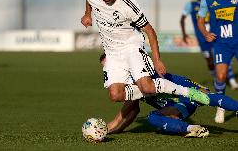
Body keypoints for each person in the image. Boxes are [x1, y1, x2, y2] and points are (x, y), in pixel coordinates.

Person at [81, 0, 209, 105]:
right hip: (112, 53)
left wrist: (157, 60)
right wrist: (87, 15)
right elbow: (89, 0)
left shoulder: (128, 5)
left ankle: (188, 92)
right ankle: (162, 90)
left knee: (147, 87)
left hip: (131, 48)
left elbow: (150, 31)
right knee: (115, 95)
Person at [99, 54, 238, 138]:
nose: (108, 71)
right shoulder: (127, 83)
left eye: (108, 66)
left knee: (207, 97)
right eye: (104, 68)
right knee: (153, 117)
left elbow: (131, 105)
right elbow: (133, 108)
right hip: (176, 106)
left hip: (184, 89)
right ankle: (192, 129)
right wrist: (117, 128)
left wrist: (115, 124)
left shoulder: (138, 73)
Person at [197, 0, 238, 123]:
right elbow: (200, 21)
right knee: (220, 76)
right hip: (221, 44)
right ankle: (220, 107)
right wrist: (206, 34)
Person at [180, 0, 238, 90]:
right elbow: (182, 18)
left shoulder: (210, 0)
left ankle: (232, 81)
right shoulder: (191, 4)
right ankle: (217, 77)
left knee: (223, 58)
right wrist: (184, 34)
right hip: (202, 38)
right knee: (210, 61)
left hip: (214, 35)